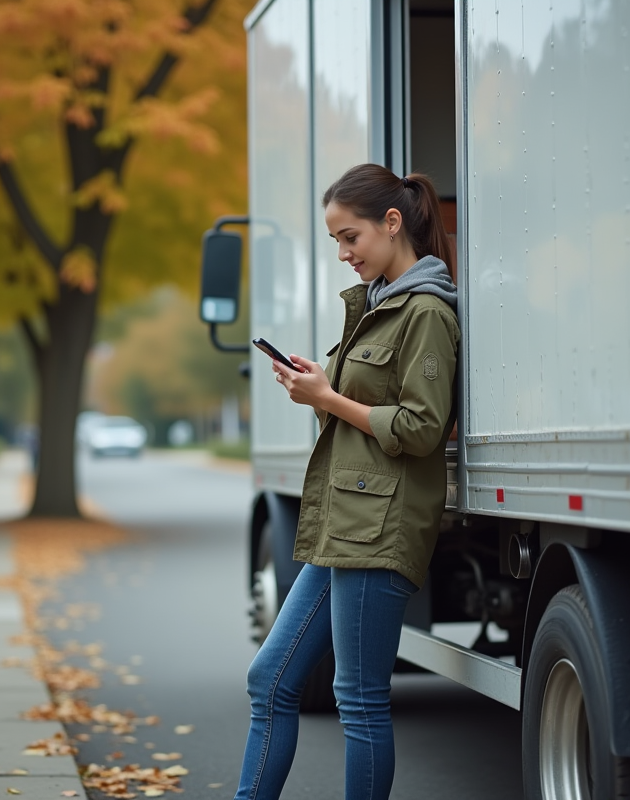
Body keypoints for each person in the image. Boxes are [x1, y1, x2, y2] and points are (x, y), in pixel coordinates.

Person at [234, 163, 461, 800]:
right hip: (343, 529)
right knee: (270, 680)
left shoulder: (426, 313)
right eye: (336, 240)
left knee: (358, 702)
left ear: (393, 223)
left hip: (379, 530)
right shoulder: (379, 306)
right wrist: (319, 382)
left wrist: (328, 399)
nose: (342, 254)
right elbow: (355, 393)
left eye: (349, 237)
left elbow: (421, 428)